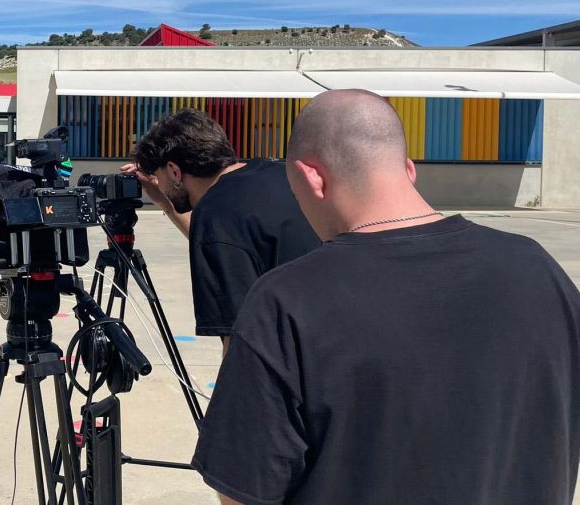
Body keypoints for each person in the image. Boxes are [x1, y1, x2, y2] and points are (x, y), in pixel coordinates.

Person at [192, 90, 580, 504]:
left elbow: (243, 491)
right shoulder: (537, 266)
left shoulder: (286, 300)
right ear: (408, 170)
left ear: (312, 177)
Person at [128, 108, 320, 351]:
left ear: (175, 171)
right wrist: (167, 204)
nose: (161, 186)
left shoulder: (215, 215)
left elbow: (240, 337)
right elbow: (231, 245)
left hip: (297, 360)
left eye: (159, 177)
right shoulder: (281, 174)